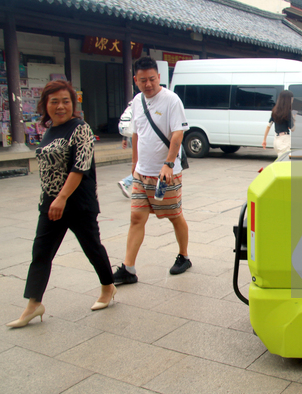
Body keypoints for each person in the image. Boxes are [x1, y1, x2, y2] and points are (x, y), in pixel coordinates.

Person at [7, 81, 116, 328]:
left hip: (77, 203)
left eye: (66, 101)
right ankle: (34, 304)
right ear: (45, 104)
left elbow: (81, 166)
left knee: (92, 247)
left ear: (73, 104)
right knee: (41, 253)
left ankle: (108, 287)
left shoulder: (81, 129)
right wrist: (51, 199)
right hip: (50, 203)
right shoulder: (48, 131)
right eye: (54, 101)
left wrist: (62, 198)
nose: (60, 106)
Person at [112, 56, 191, 285]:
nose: (148, 84)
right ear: (135, 80)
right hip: (141, 173)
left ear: (159, 77)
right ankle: (128, 268)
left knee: (174, 216)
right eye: (143, 80)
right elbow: (137, 133)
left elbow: (178, 133)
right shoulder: (137, 102)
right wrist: (135, 163)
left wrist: (167, 163)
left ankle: (184, 256)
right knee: (136, 218)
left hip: (166, 173)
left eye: (152, 79)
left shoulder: (171, 100)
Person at [262, 90, 294, 157]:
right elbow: (292, 128)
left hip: (276, 140)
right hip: (284, 140)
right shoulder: (288, 112)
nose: (292, 100)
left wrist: (264, 139)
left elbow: (269, 125)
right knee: (284, 162)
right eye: (291, 99)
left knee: (281, 160)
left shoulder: (275, 111)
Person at [117, 101, 134, 198]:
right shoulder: (142, 101)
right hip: (139, 135)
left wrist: (124, 138)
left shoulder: (131, 103)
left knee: (142, 163)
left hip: (131, 134)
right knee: (144, 164)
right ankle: (126, 182)